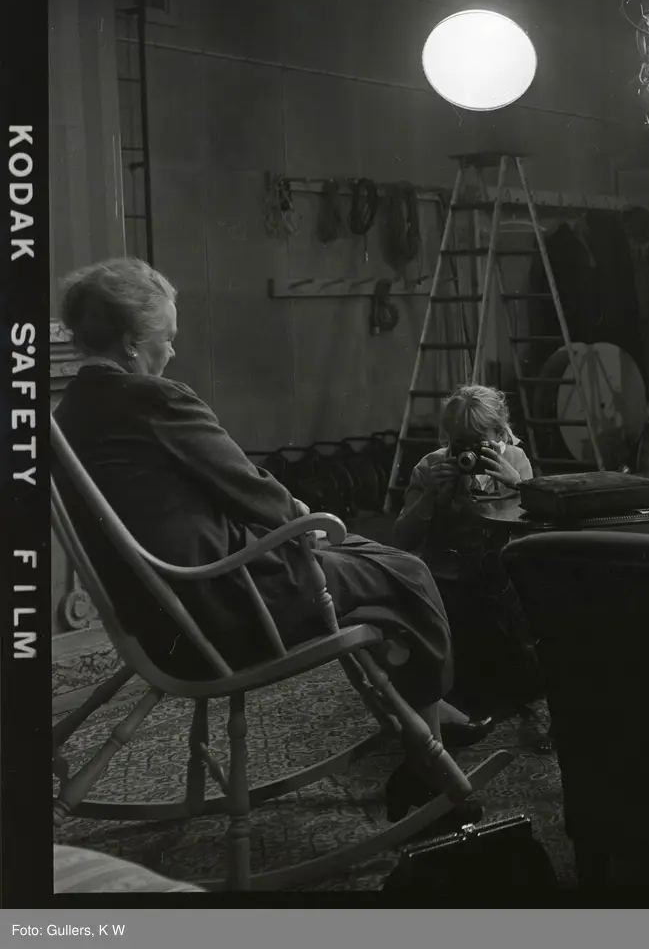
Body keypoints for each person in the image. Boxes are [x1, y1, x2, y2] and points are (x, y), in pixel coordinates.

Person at [53, 258, 488, 824]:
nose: (172, 352)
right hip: (227, 607)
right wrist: (303, 517)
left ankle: (425, 707)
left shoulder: (70, 412)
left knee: (359, 560)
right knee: (405, 571)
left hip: (158, 618)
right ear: (133, 343)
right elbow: (254, 491)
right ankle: (425, 756)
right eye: (167, 338)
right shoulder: (154, 399)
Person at [393, 386, 538, 709]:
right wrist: (430, 496)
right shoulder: (430, 466)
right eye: (460, 442)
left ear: (499, 433)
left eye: (478, 441)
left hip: (500, 578)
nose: (469, 451)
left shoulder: (515, 459)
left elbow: (536, 529)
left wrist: (518, 485)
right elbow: (402, 538)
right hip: (449, 579)